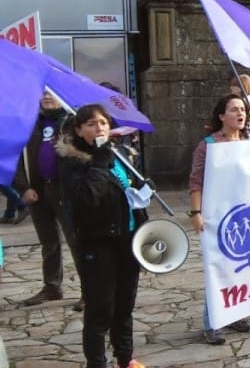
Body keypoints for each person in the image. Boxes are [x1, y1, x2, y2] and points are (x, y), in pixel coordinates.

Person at [55, 103, 149, 368]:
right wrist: (98, 163)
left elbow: (126, 190)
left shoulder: (118, 154)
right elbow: (87, 199)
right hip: (97, 242)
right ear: (78, 130)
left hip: (127, 239)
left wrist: (143, 188)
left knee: (124, 306)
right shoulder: (73, 161)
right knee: (100, 310)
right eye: (91, 124)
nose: (99, 128)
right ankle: (97, 363)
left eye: (104, 123)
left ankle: (125, 359)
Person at [188, 94, 250, 344]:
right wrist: (196, 212)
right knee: (218, 268)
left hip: (244, 214)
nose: (240, 113)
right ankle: (212, 322)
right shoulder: (209, 145)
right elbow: (196, 181)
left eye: (243, 109)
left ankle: (235, 313)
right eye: (234, 109)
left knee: (241, 266)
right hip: (217, 216)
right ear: (221, 116)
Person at [13, 91, 83, 309]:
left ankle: (89, 289)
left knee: (76, 240)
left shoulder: (73, 122)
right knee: (48, 242)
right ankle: (52, 287)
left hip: (65, 190)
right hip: (37, 190)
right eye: (43, 92)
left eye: (51, 93)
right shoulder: (29, 123)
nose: (46, 97)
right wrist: (23, 188)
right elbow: (14, 156)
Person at [230, 74, 250, 141]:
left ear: (240, 88)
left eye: (234, 85)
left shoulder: (245, 101)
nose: (231, 87)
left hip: (248, 134)